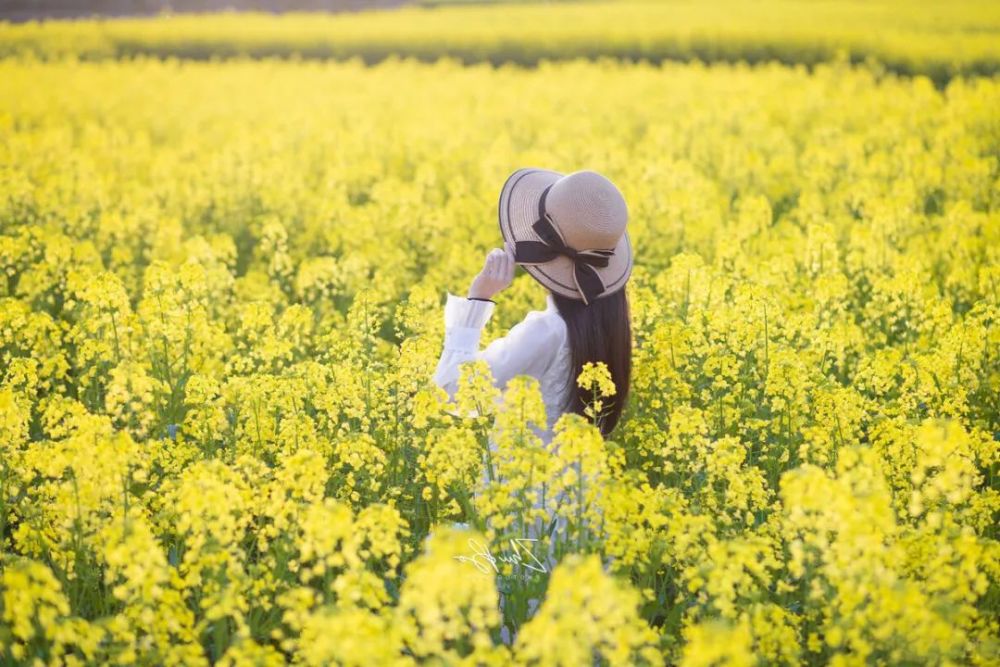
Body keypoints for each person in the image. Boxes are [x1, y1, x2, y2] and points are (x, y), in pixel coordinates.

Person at [429, 167, 634, 643]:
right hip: (579, 507)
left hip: (523, 510)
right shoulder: (612, 330)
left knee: (508, 626)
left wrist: (477, 300)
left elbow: (455, 394)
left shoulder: (545, 332)